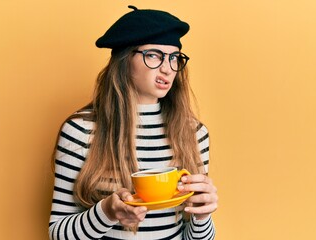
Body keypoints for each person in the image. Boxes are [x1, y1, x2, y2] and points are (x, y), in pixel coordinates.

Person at [49, 5, 218, 240]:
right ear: (125, 60)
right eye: (153, 55)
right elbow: (58, 233)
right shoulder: (80, 131)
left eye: (174, 57)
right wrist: (107, 212)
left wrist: (202, 216)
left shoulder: (194, 133)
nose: (167, 68)